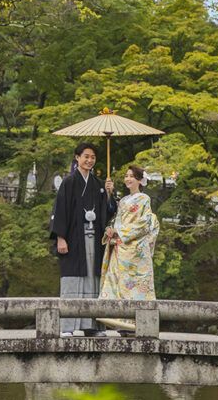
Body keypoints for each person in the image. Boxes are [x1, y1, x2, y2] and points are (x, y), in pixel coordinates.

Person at [49, 142, 114, 335]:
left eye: (93, 157)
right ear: (77, 158)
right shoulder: (69, 182)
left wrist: (109, 194)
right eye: (86, 156)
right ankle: (67, 326)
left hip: (94, 238)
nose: (89, 160)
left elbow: (109, 212)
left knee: (93, 278)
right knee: (72, 279)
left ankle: (91, 326)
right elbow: (60, 210)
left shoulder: (98, 185)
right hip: (73, 238)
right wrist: (61, 237)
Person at [98, 165, 160, 332]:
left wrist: (120, 232)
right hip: (120, 246)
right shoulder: (124, 200)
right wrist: (110, 230)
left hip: (135, 249)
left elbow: (144, 223)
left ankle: (135, 323)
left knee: (136, 286)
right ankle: (119, 321)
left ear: (140, 180)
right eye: (126, 176)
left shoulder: (144, 199)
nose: (128, 179)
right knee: (117, 283)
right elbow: (117, 221)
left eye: (132, 176)